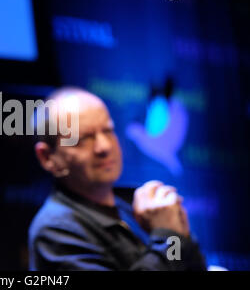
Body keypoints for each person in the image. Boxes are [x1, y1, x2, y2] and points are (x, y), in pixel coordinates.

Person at [28, 87, 206, 270]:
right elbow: (171, 252)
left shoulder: (137, 207)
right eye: (82, 139)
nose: (104, 147)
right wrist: (169, 237)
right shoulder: (55, 230)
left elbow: (184, 265)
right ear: (47, 157)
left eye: (108, 131)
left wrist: (179, 235)